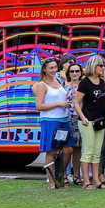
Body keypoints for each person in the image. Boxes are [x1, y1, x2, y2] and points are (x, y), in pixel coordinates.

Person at [34, 58, 74, 189]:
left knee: (68, 148)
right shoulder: (41, 85)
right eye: (51, 68)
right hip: (50, 121)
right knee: (50, 151)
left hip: (63, 119)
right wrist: (58, 103)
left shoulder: (58, 80)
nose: (54, 70)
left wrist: (65, 99)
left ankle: (61, 175)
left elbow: (58, 96)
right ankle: (51, 181)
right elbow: (39, 106)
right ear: (44, 69)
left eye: (55, 67)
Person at [74, 56, 105, 190]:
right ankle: (86, 182)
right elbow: (76, 103)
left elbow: (103, 98)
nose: (102, 68)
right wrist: (83, 117)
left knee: (96, 152)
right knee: (88, 151)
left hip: (99, 120)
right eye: (100, 66)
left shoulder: (101, 81)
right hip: (87, 121)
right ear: (93, 66)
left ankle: (96, 180)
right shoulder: (85, 82)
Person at [63, 61, 84, 184]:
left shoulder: (84, 85)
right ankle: (64, 174)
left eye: (77, 71)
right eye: (72, 71)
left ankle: (77, 176)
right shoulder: (63, 85)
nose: (75, 73)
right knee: (67, 148)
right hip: (66, 119)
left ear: (81, 73)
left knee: (77, 149)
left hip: (80, 119)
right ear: (68, 73)